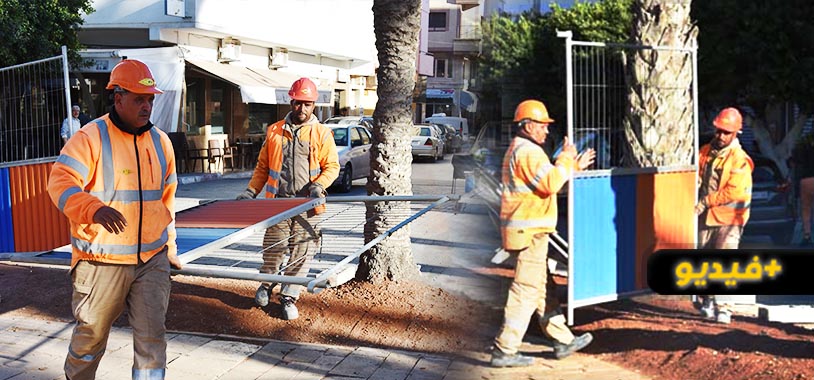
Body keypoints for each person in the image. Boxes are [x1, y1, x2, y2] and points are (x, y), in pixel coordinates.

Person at [47, 59, 182, 380]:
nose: (147, 106)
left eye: (150, 99)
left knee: (152, 340)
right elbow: (60, 183)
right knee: (90, 338)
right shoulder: (90, 138)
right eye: (139, 99)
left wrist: (170, 248)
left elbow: (166, 201)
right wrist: (92, 208)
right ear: (118, 98)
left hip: (151, 260)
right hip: (100, 260)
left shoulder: (161, 142)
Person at [490, 99, 596, 367]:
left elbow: (548, 182)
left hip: (528, 230)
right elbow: (551, 183)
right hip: (530, 231)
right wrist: (567, 157)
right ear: (527, 126)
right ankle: (505, 349)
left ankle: (563, 340)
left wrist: (574, 166)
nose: (546, 131)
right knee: (526, 290)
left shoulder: (522, 150)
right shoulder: (529, 152)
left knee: (542, 287)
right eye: (542, 125)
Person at [235, 77, 339, 320]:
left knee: (302, 252)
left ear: (314, 105)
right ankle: (266, 284)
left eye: (307, 104)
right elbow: (263, 167)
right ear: (290, 102)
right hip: (278, 203)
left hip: (308, 206)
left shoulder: (322, 133)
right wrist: (251, 191)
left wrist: (319, 186)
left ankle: (289, 296)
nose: (301, 108)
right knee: (274, 248)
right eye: (297, 103)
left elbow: (332, 166)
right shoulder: (274, 131)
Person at [694, 107, 754, 324]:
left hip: (729, 220)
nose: (721, 136)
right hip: (706, 218)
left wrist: (704, 202)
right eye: (719, 130)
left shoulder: (740, 159)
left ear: (736, 132)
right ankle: (708, 301)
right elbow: (697, 177)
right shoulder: (705, 152)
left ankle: (724, 308)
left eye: (726, 132)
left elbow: (734, 191)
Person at [791, 133, 814, 246]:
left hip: (806, 180)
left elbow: (794, 162)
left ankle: (807, 235)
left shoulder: (803, 147)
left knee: (806, 209)